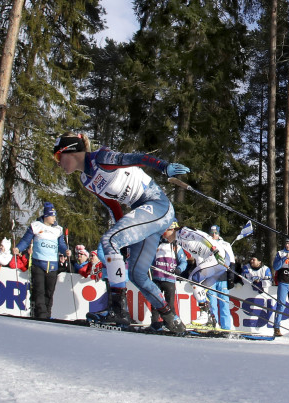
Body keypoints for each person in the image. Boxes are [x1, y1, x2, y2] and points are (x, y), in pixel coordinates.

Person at [50, 133, 189, 334]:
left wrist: (164, 166)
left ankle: (118, 310)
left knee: (109, 240)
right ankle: (171, 318)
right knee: (136, 274)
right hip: (143, 215)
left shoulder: (101, 158)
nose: (58, 164)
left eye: (58, 157)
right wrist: (120, 241)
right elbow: (113, 207)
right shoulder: (86, 179)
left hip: (157, 205)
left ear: (71, 151)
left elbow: (137, 158)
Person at [16, 202, 68, 320]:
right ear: (46, 216)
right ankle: (41, 316)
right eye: (52, 216)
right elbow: (26, 240)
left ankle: (47, 315)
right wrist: (18, 248)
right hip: (38, 263)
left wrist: (66, 251)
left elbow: (61, 245)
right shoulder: (36, 226)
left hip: (52, 265)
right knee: (39, 291)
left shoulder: (58, 229)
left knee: (49, 293)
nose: (54, 218)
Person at [149, 224, 187, 331]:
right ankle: (155, 323)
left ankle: (170, 324)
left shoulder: (176, 247)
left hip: (169, 279)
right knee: (156, 301)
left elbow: (183, 262)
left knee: (169, 304)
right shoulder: (157, 245)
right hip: (157, 278)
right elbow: (151, 260)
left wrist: (179, 269)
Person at [206, 224, 234, 330]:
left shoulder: (225, 244)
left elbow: (232, 261)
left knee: (224, 303)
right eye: (212, 233)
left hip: (222, 276)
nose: (214, 235)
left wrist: (231, 277)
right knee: (212, 303)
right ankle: (214, 325)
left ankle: (226, 327)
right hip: (210, 277)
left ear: (219, 233)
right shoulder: (206, 243)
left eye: (216, 233)